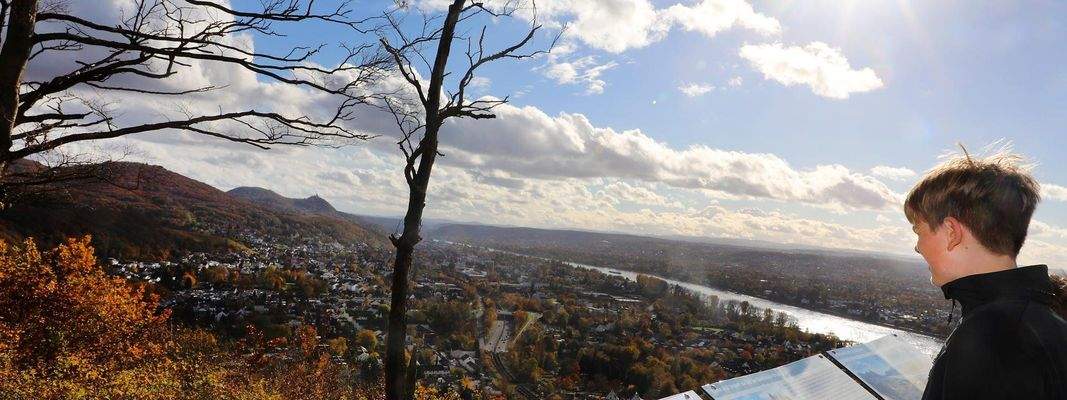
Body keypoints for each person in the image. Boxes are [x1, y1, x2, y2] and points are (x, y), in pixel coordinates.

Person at [905, 147, 1067, 400]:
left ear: (951, 232)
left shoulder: (992, 338)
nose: (917, 246)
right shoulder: (1044, 319)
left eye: (918, 231)